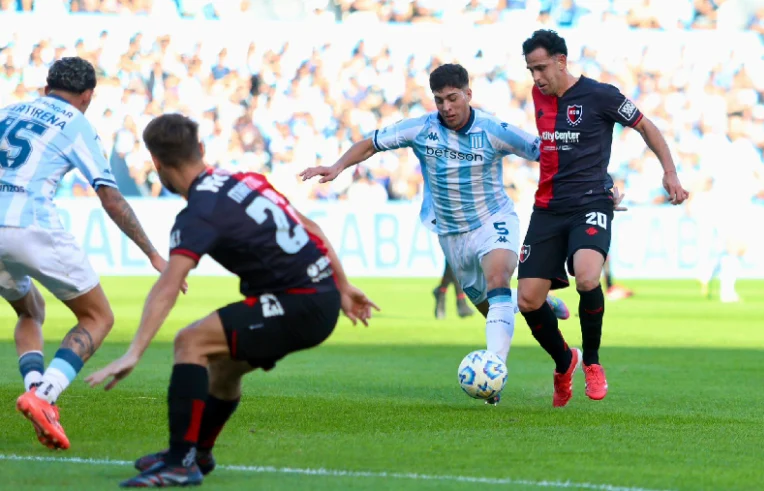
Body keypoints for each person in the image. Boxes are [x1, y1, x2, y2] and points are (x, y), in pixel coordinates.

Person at [86, 113, 378, 487]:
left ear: (156, 164)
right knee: (224, 367)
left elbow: (169, 285)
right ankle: (200, 451)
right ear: (202, 150)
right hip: (316, 296)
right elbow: (313, 228)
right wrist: (342, 285)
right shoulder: (244, 179)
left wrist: (134, 352)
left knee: (190, 341)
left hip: (299, 302)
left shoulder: (198, 212)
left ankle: (179, 461)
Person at [301, 63, 570, 405]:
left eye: (453, 98)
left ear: (468, 95)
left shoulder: (492, 129)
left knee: (499, 278)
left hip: (494, 220)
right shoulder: (420, 129)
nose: (446, 107)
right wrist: (338, 166)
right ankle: (537, 301)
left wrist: (594, 184)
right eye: (439, 100)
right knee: (492, 308)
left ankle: (492, 370)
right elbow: (372, 143)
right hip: (451, 234)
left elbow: (545, 152)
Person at [1, 57, 170, 450]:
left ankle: (36, 393)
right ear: (88, 97)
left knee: (30, 310)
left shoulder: (8, 112)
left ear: (46, 88)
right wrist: (152, 254)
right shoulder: (77, 124)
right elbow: (110, 198)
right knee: (98, 316)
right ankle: (43, 397)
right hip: (30, 225)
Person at [517, 30, 689, 407]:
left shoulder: (601, 96)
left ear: (562, 61)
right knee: (528, 301)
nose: (537, 78)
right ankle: (566, 361)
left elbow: (646, 125)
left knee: (588, 275)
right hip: (547, 208)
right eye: (531, 70)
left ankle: (592, 362)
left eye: (542, 68)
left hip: (590, 202)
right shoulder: (538, 96)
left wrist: (670, 173)